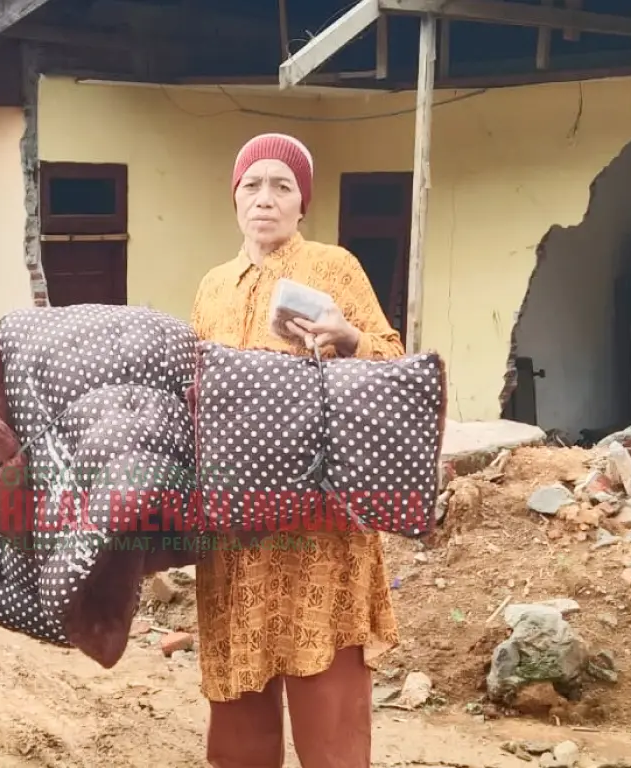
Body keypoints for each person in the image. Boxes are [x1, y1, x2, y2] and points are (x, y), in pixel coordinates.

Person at [189, 132, 405, 768]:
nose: (265, 199)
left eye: (282, 186)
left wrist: (349, 337)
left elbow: (394, 362)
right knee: (239, 706)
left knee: (330, 704)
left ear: (302, 203)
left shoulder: (334, 268)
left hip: (321, 533)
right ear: (235, 198)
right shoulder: (212, 286)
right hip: (236, 537)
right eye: (252, 185)